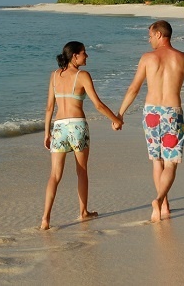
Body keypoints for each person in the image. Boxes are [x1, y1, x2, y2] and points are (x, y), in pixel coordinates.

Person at [117, 20, 184, 222]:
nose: (149, 39)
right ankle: (160, 199)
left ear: (160, 35)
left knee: (157, 162)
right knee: (170, 163)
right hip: (172, 113)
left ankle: (164, 205)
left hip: (151, 113)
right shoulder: (183, 58)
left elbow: (133, 89)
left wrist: (120, 113)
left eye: (151, 35)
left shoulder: (147, 58)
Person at [40, 41, 123, 230]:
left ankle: (45, 219)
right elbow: (98, 104)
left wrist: (47, 133)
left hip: (59, 127)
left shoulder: (54, 76)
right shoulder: (82, 76)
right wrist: (116, 120)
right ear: (75, 56)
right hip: (77, 126)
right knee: (82, 171)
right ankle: (83, 211)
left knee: (54, 175)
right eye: (84, 53)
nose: (87, 56)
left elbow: (49, 108)